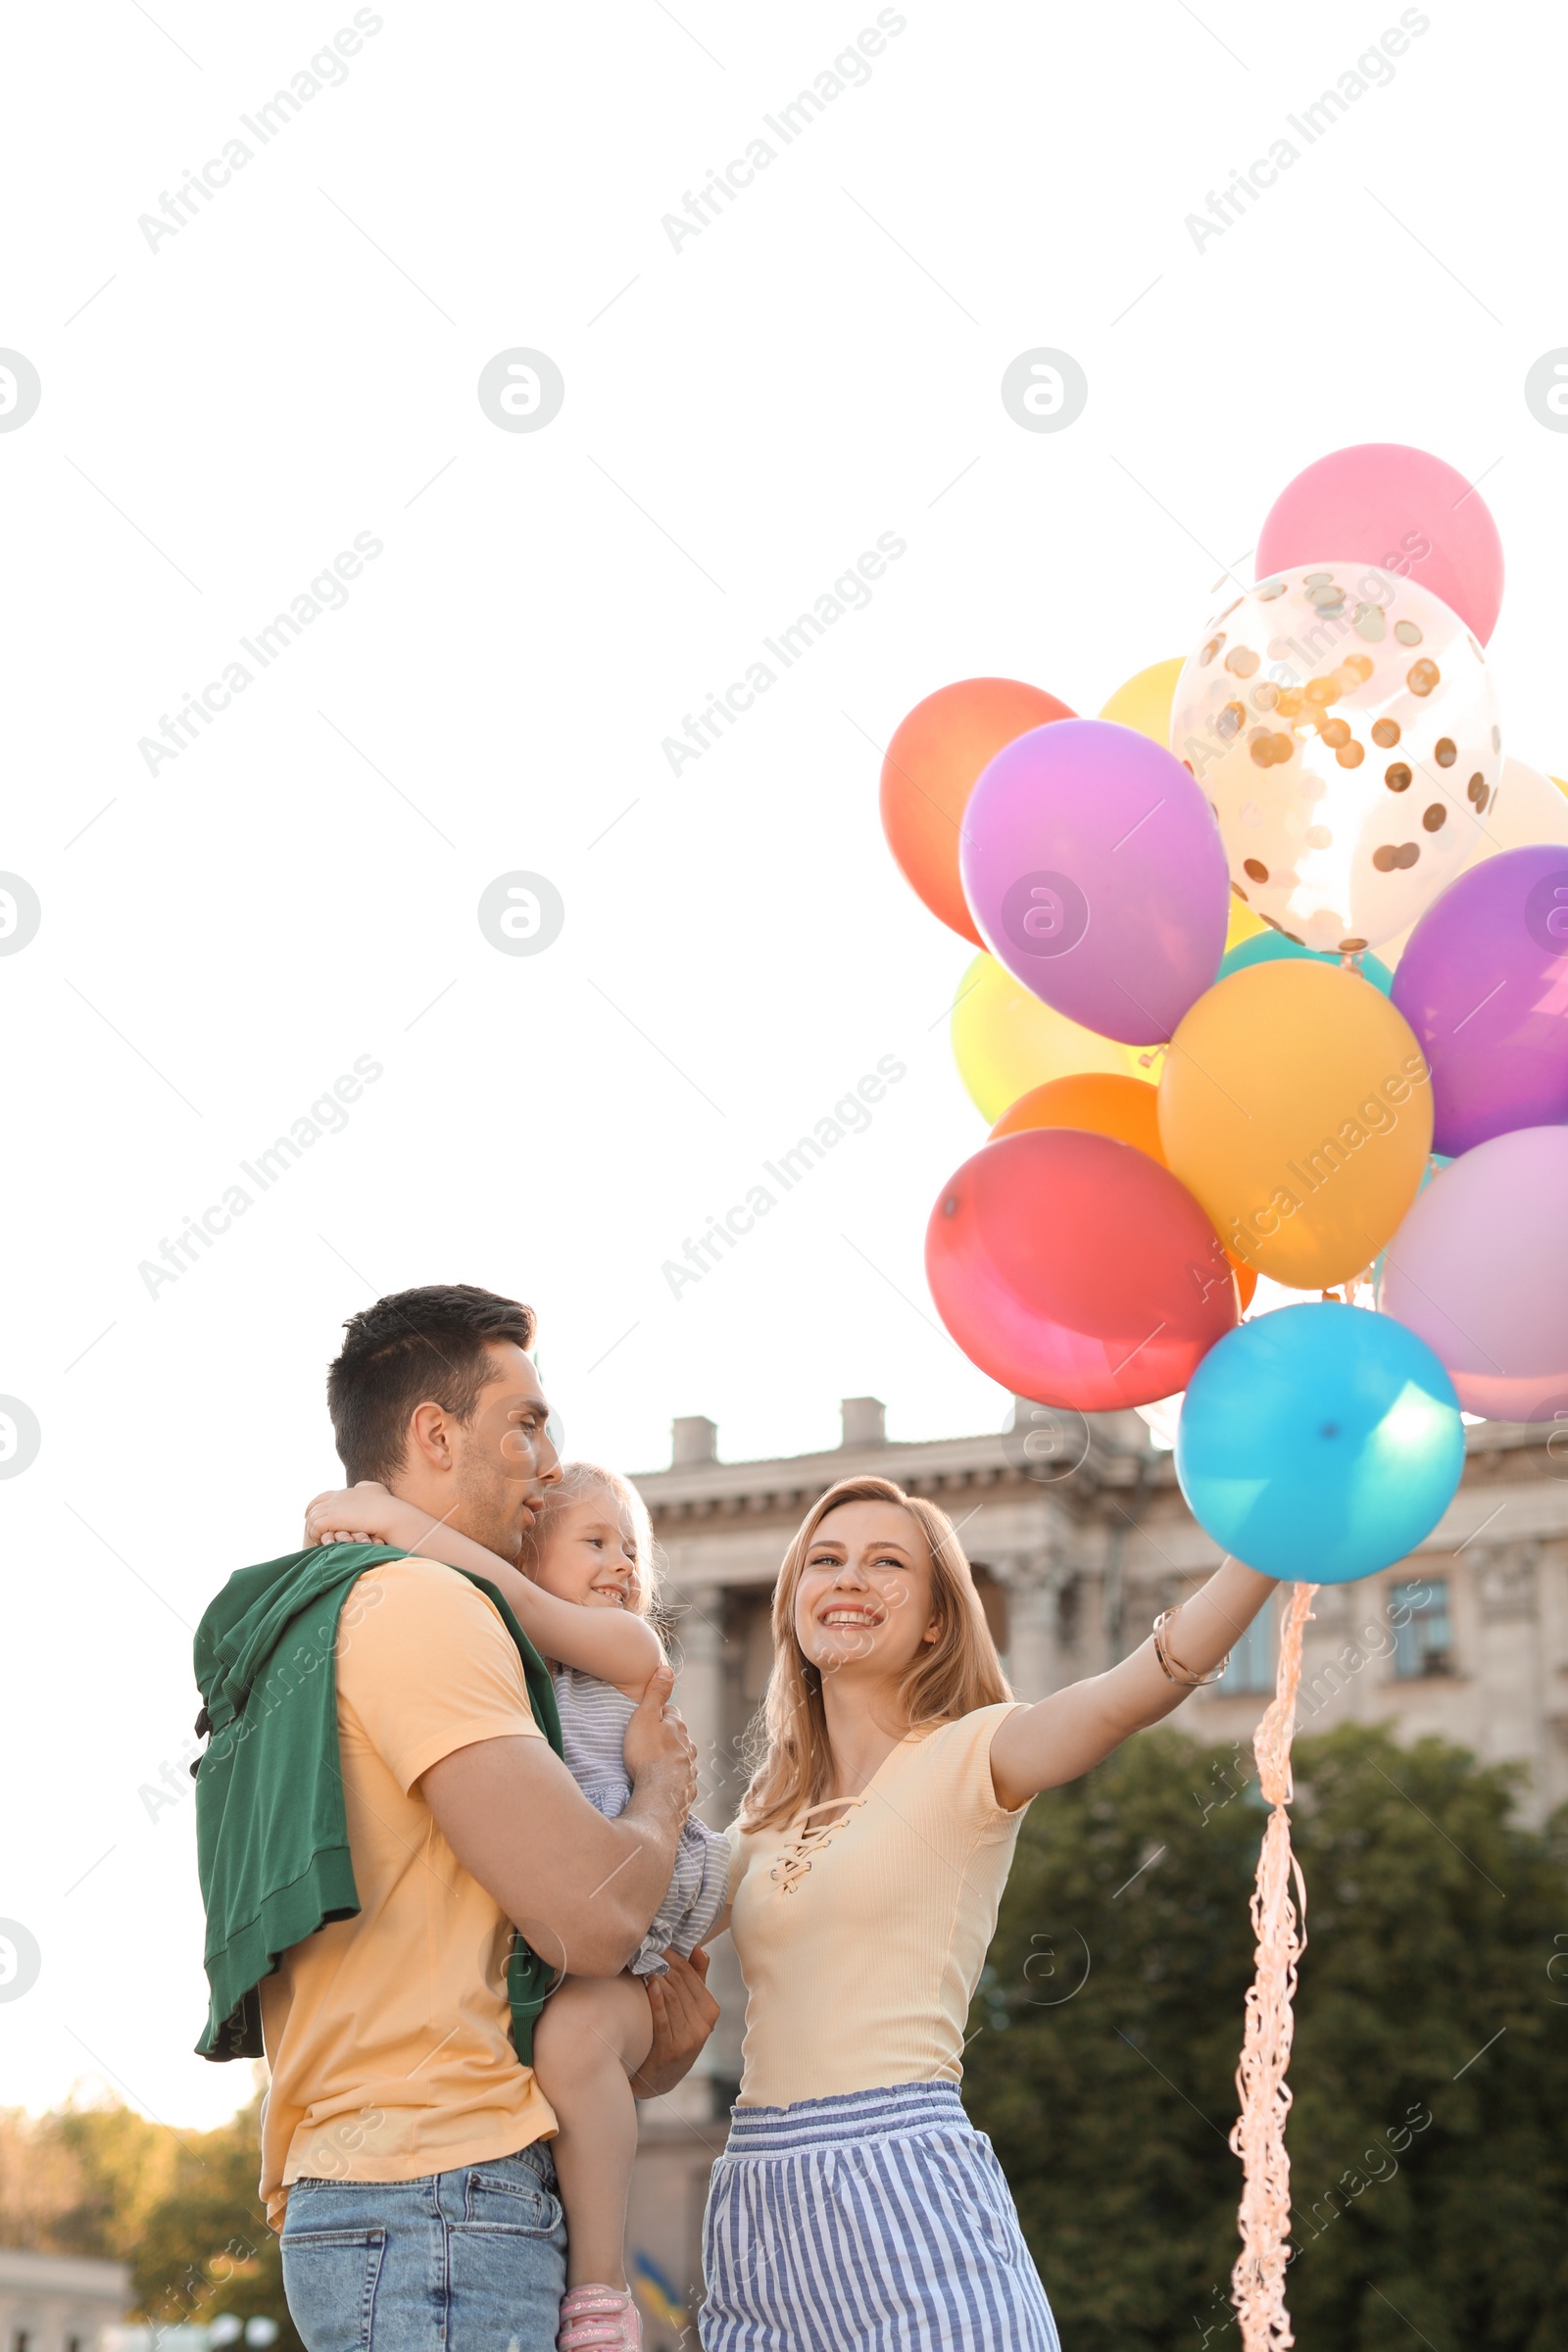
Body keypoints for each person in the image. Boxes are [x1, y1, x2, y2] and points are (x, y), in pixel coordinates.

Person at [193, 1285, 717, 2352]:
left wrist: (635, 2055)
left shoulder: (310, 1620)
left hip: (375, 2188)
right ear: (434, 1434)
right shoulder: (424, 1604)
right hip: (440, 2201)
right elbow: (592, 1921)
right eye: (523, 1423)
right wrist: (662, 1795)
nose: (547, 1459)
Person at [701, 1472, 1277, 2352]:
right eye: (826, 1560)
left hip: (901, 2178)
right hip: (756, 2209)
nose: (849, 1579)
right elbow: (629, 1927)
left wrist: (1264, 1549)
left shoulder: (977, 1751)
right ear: (794, 1603)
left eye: (886, 1562)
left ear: (937, 1618)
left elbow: (1140, 1685)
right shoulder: (764, 1816)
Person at [305, 1457, 730, 2351]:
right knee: (552, 2046)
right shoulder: (491, 1655)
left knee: (574, 2041)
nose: (621, 1565)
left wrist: (383, 1514)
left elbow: (517, 1597)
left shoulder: (630, 1654)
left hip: (650, 1921)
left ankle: (604, 2294)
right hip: (570, 1939)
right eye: (594, 1542)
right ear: (532, 1557)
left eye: (630, 1549)